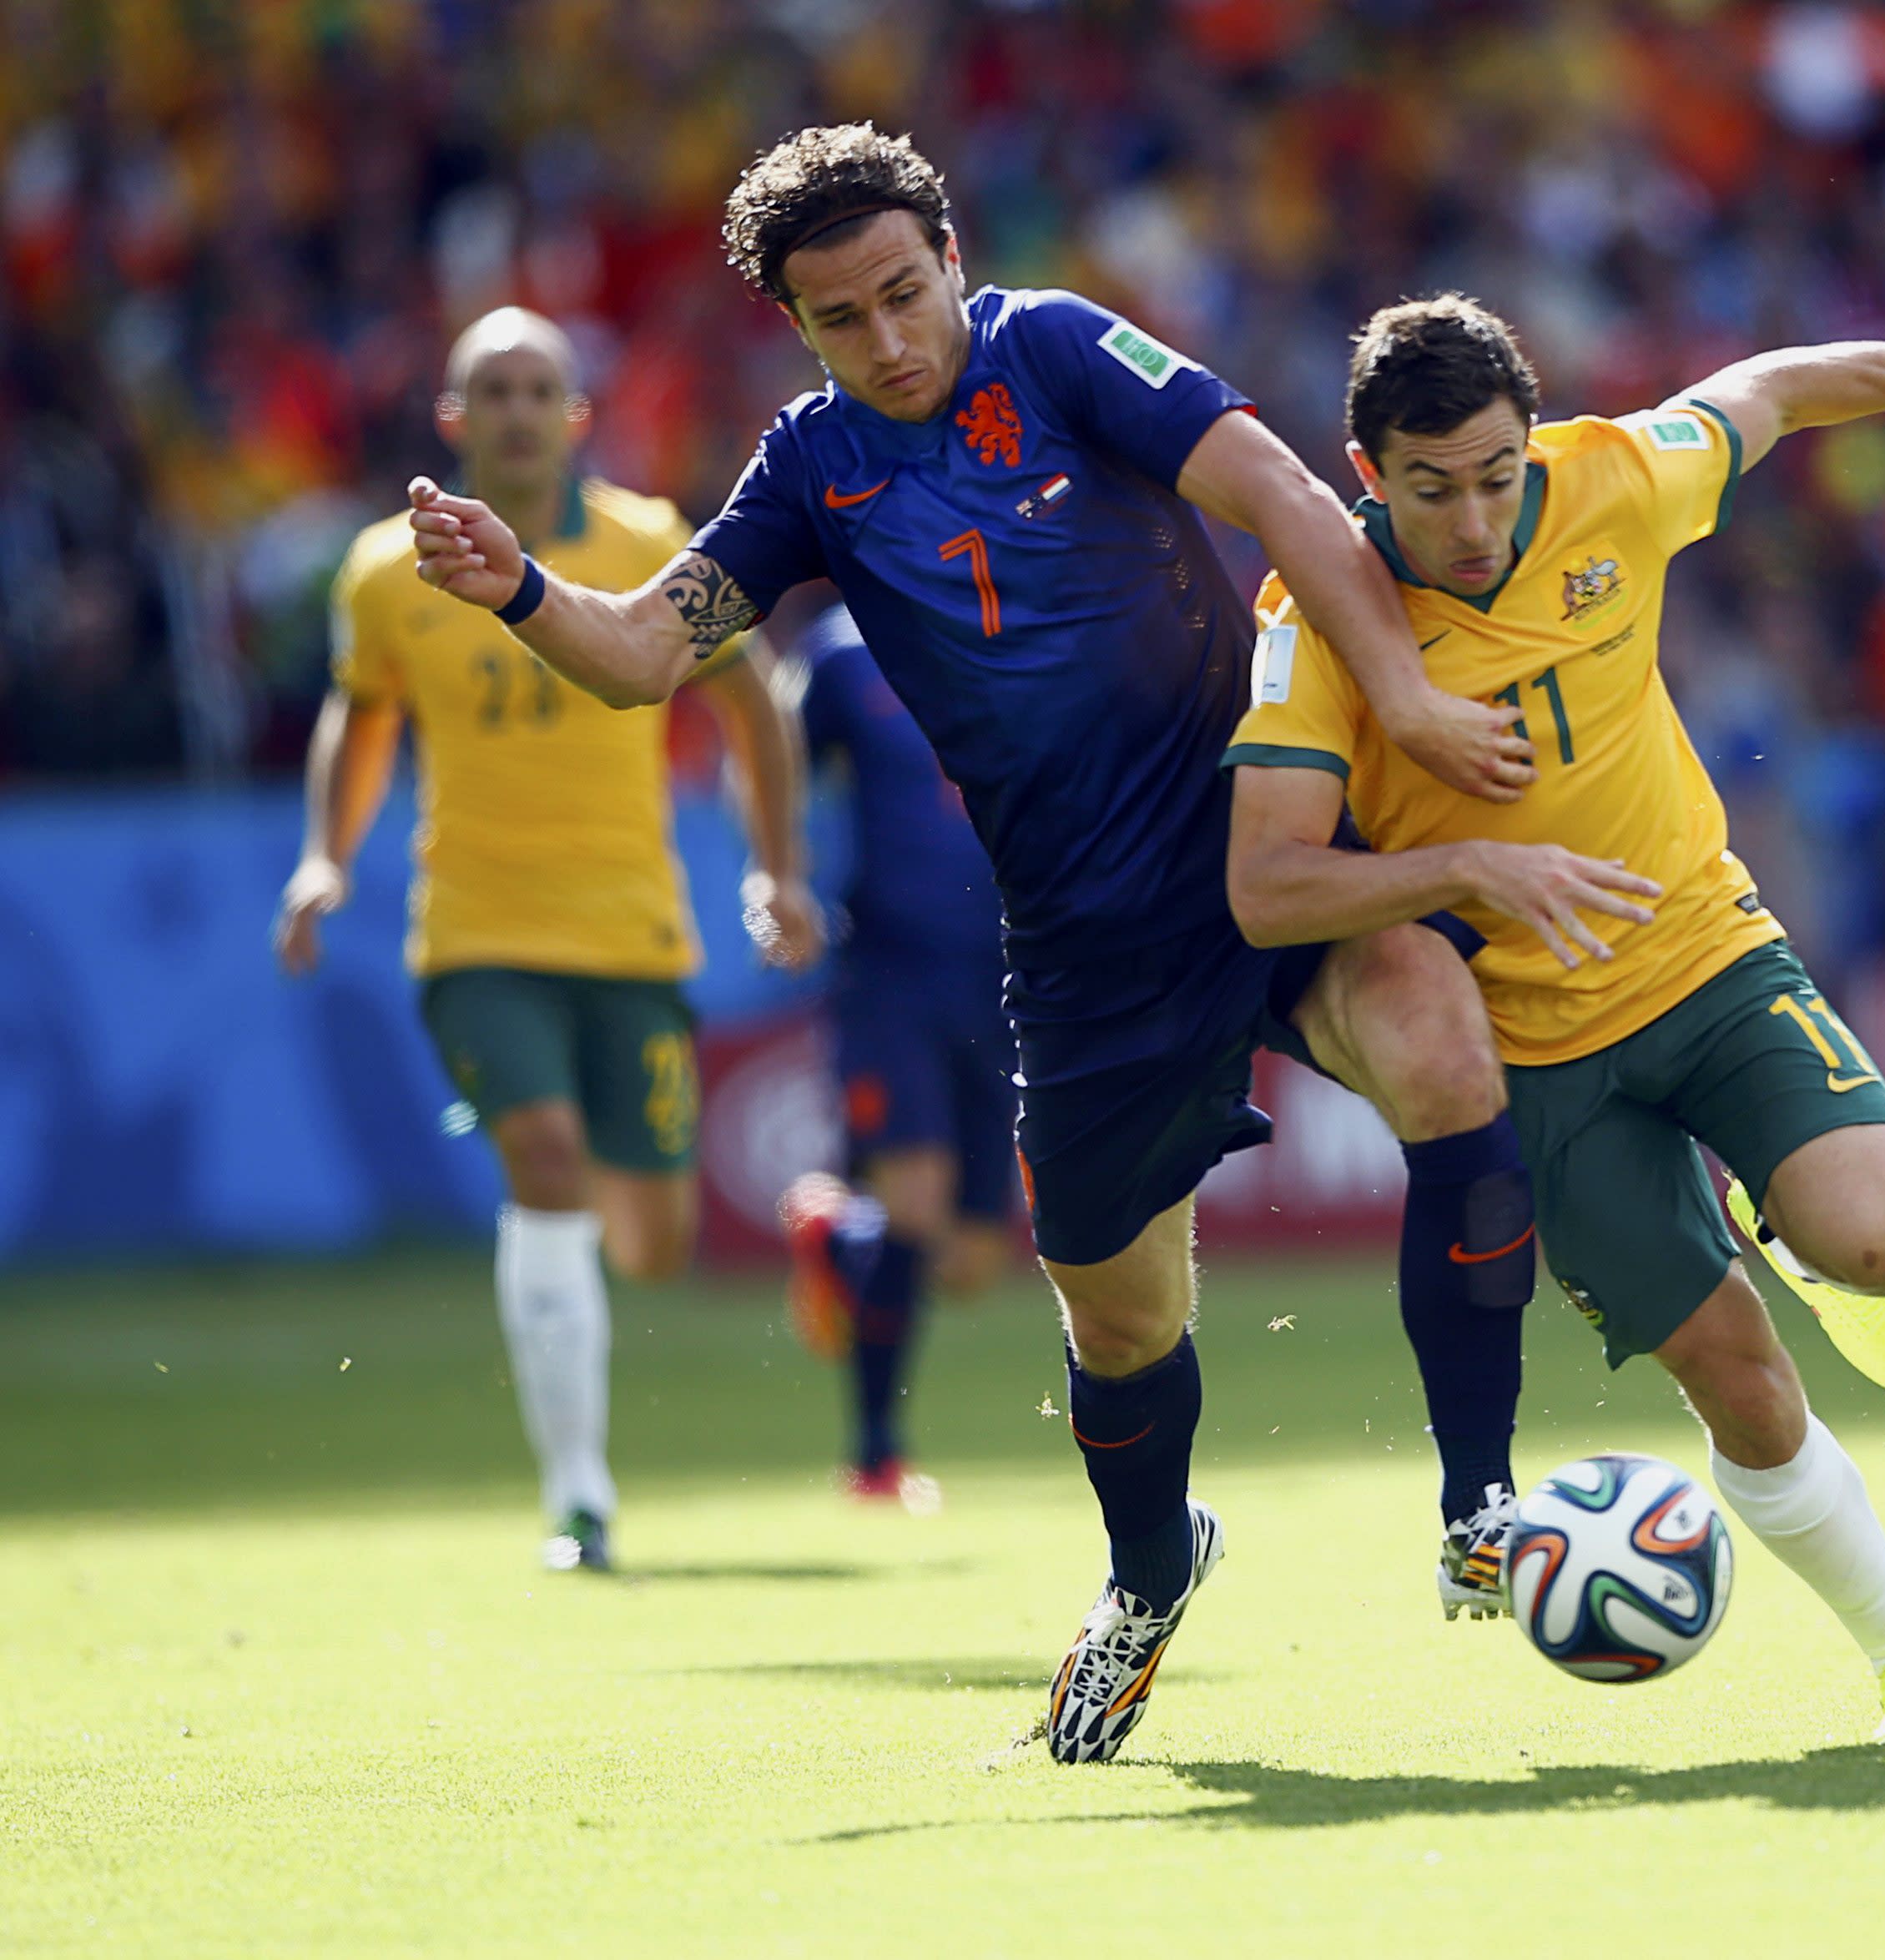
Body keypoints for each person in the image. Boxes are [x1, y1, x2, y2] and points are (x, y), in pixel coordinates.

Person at [397, 125, 1540, 1766]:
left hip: (1261, 844)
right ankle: (1149, 1579)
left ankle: (1479, 1499)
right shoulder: (810, 471)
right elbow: (647, 651)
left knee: (1438, 1035)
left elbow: (1283, 490)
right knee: (1121, 1326)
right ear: (801, 331)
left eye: (903, 292)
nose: (887, 339)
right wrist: (520, 591)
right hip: (1079, 947)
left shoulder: (1065, 350)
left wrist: (1411, 701)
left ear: (952, 257)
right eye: (840, 318)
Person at [1226, 288, 1885, 1741]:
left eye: (1499, 474)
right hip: (1537, 1061)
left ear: (1533, 438)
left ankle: (1786, 1219)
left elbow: (1784, 375)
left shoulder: (1615, 473)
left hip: (1703, 950)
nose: (1477, 517)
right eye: (1432, 489)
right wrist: (1467, 864)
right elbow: (1265, 886)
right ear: (1368, 475)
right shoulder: (1316, 617)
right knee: (1739, 1383)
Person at [275, 306, 820, 1574]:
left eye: (540, 389)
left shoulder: (650, 542)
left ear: (577, 416)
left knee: (653, 1243)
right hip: (474, 932)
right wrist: (327, 857)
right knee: (548, 1158)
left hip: (631, 936)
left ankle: (803, 1265)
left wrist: (780, 868)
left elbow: (754, 704)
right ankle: (580, 1494)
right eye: (492, 390)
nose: (517, 411)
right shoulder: (382, 568)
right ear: (454, 418)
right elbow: (358, 725)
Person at [777, 604, 1022, 1511]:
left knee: (966, 1263)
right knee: (914, 1205)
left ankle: (836, 1236)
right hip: (888, 966)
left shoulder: (1024, 627)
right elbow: (769, 759)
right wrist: (779, 878)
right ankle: (876, 1454)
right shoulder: (841, 654)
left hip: (1000, 967)